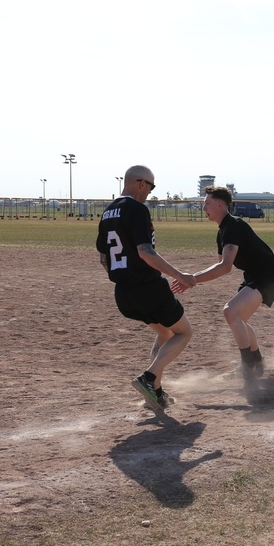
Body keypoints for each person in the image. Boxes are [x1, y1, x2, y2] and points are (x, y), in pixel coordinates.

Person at [96, 165, 197, 413]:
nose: (150, 192)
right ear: (141, 183)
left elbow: (103, 257)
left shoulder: (107, 212)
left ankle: (155, 394)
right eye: (151, 187)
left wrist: (124, 277)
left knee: (164, 334)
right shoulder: (137, 208)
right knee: (183, 333)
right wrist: (180, 275)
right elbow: (145, 251)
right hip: (148, 287)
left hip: (123, 293)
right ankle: (149, 378)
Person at [175, 186, 274, 384]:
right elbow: (221, 266)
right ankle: (257, 362)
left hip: (267, 276)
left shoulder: (233, 225)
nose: (203, 207)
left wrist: (192, 279)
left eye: (207, 203)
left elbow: (225, 267)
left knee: (230, 312)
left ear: (219, 204)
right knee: (238, 318)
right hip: (254, 276)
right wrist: (191, 280)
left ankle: (248, 367)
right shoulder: (222, 232)